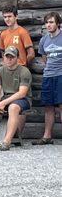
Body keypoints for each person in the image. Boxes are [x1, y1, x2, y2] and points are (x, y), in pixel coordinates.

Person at [33, 11, 62, 145]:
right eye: (47, 22)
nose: (48, 25)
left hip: (61, 75)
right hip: (48, 76)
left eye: (51, 22)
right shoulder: (44, 40)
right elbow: (45, 59)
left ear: (58, 23)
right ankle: (47, 136)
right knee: (48, 107)